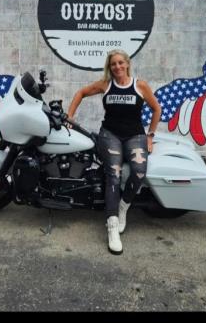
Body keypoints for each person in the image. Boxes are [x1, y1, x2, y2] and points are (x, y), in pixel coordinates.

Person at [67, 49, 162, 255]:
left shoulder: (140, 85)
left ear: (127, 64)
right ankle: (112, 225)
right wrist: (70, 116)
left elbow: (157, 109)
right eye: (113, 64)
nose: (117, 67)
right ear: (109, 68)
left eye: (120, 63)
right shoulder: (105, 84)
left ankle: (123, 206)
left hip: (135, 135)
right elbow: (81, 93)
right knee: (114, 173)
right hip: (110, 135)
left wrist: (150, 135)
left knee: (138, 171)